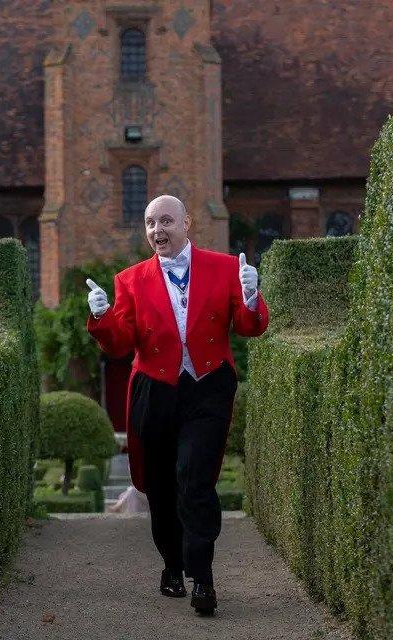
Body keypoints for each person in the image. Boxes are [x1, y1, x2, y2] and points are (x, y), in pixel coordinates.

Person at [85, 194, 269, 616]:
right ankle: (172, 564)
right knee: (163, 485)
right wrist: (101, 319)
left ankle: (203, 577)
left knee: (195, 477)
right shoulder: (129, 280)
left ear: (187, 223)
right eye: (150, 224)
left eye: (165, 221)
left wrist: (252, 296)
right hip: (156, 388)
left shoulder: (224, 268)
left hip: (208, 386)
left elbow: (248, 327)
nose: (157, 231)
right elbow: (119, 344)